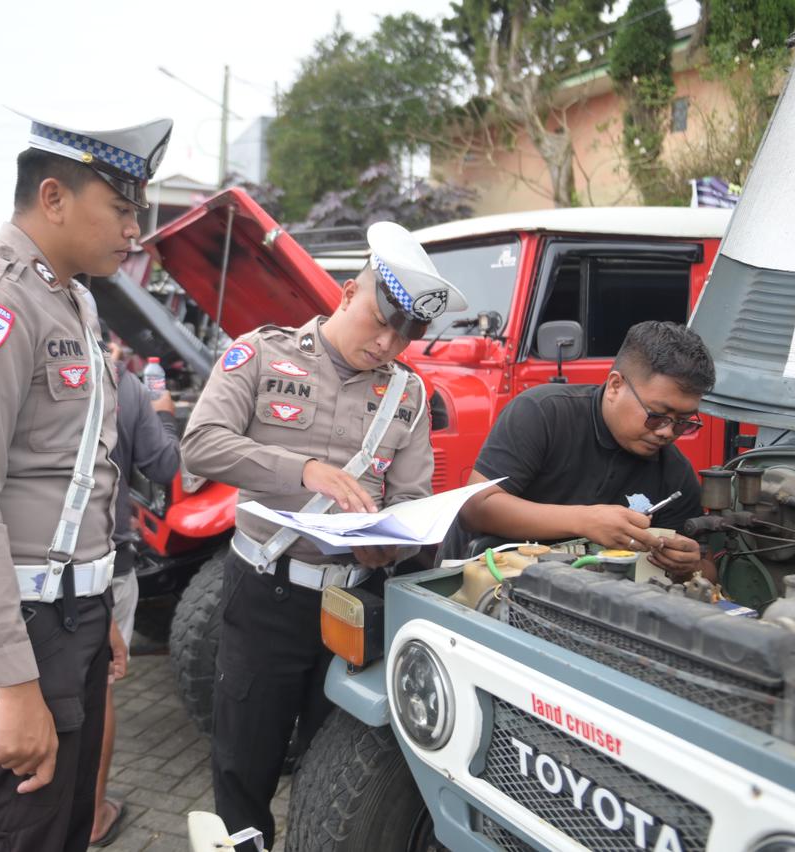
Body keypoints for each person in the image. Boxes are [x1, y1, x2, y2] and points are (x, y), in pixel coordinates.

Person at [0, 107, 171, 852]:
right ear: (53, 197)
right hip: (4, 633)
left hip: (65, 619)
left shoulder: (69, 297)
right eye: (120, 208)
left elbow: (80, 469)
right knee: (16, 834)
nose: (134, 231)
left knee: (62, 831)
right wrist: (13, 683)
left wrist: (93, 600)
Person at [181, 221, 464, 850]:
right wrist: (304, 470)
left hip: (351, 602)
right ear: (346, 293)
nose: (388, 343)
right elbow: (200, 444)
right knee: (244, 757)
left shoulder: (409, 393)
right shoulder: (261, 354)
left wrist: (392, 541)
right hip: (266, 592)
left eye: (406, 335)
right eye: (380, 322)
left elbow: (411, 497)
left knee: (332, 760)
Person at [457, 320, 715, 579]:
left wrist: (689, 566)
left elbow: (709, 574)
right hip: (485, 583)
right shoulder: (544, 414)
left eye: (684, 422)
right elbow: (476, 507)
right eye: (656, 415)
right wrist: (585, 521)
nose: (667, 432)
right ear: (615, 386)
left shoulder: (674, 473)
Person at [89, 327, 180, 847]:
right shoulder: (123, 384)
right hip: (105, 562)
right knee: (94, 689)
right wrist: (164, 413)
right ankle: (92, 815)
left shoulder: (16, 368)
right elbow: (164, 464)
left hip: (23, 563)